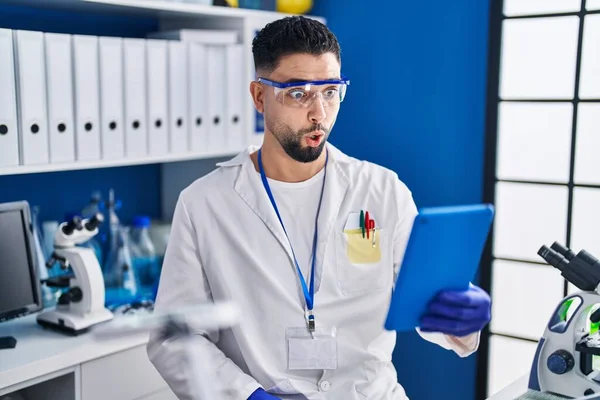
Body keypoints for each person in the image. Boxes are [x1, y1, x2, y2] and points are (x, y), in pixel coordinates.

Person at [147, 15, 492, 400]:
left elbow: (426, 304)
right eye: (298, 93)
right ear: (260, 96)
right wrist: (245, 396)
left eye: (330, 91)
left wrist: (461, 316)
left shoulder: (382, 189)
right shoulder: (205, 203)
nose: (319, 113)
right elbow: (173, 337)